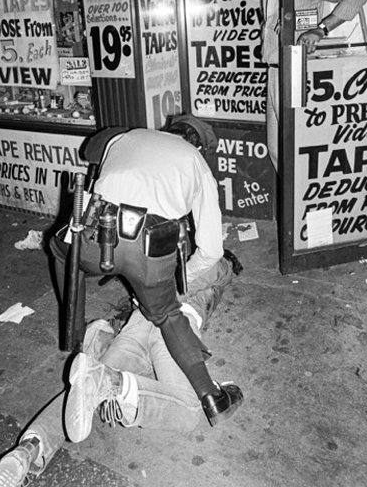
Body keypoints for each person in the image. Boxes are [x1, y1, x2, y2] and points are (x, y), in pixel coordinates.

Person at [50, 114, 244, 429]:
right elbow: (212, 251)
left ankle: (77, 340)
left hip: (95, 233)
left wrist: (124, 135)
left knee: (59, 251)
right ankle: (212, 397)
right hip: (147, 246)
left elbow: (89, 151)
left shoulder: (130, 135)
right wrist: (182, 281)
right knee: (167, 316)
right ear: (198, 145)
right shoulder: (196, 163)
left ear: (169, 131)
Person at [0, 253, 241, 487]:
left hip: (137, 326)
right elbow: (212, 268)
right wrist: (224, 264)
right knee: (188, 412)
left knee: (84, 391)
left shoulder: (158, 257)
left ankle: (30, 449)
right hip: (173, 329)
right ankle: (113, 383)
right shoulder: (211, 261)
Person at [244, 0, 367, 171]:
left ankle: (308, 209)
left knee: (299, 150)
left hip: (297, 73)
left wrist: (321, 29)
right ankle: (295, 210)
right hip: (274, 73)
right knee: (277, 150)